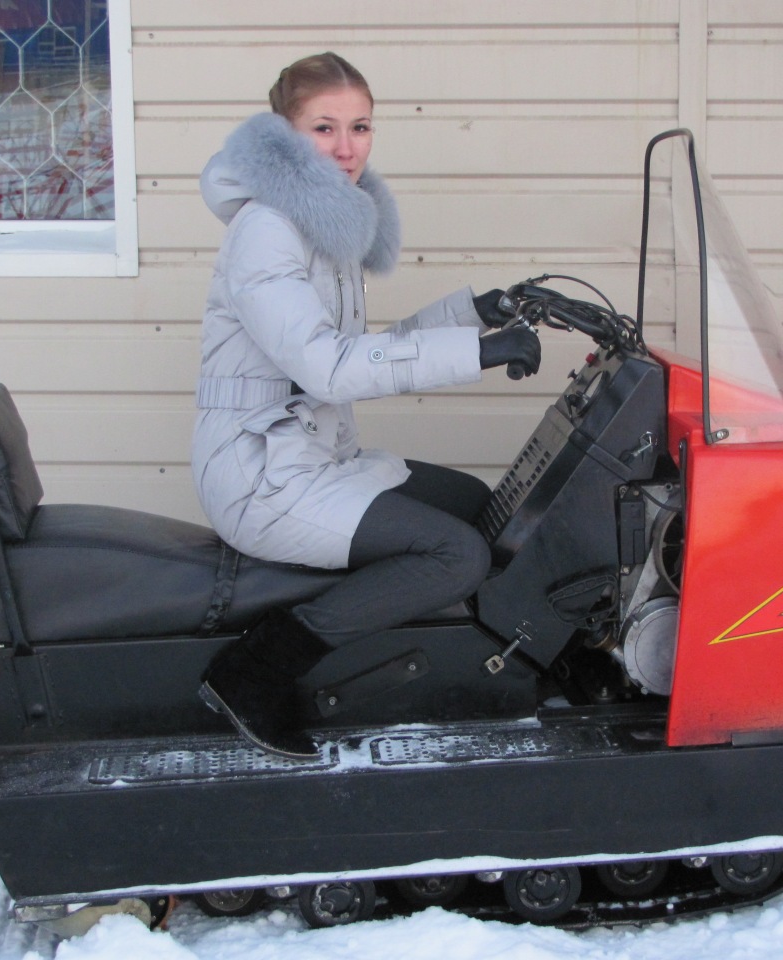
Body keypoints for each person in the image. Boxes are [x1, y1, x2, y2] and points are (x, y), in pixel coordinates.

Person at [192, 53, 541, 759]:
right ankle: (254, 670)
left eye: (361, 127)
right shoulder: (268, 229)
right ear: (284, 135)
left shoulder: (326, 222)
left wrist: (474, 315)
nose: (347, 148)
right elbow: (328, 368)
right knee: (457, 555)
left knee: (471, 502)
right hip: (261, 475)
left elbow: (358, 348)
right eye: (324, 128)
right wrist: (475, 354)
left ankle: (445, 660)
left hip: (316, 455)